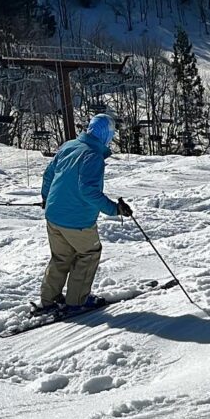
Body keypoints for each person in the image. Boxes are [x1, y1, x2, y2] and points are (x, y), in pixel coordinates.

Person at [39, 113, 132, 311]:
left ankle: (49, 300)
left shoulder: (69, 145)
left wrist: (46, 198)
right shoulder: (93, 155)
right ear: (106, 135)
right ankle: (77, 301)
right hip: (77, 220)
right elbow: (88, 191)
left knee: (61, 257)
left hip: (54, 215)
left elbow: (48, 174)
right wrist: (114, 209)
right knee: (89, 254)